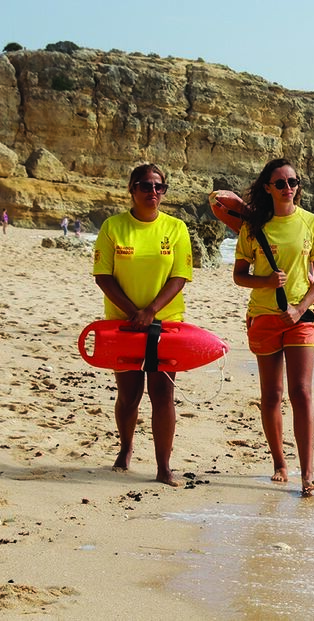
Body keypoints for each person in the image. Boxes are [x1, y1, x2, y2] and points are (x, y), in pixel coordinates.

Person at [232, 158, 314, 497]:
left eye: (293, 182)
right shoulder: (252, 227)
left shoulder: (312, 223)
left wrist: (301, 308)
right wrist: (265, 279)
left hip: (300, 318)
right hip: (263, 317)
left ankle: (307, 473)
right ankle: (279, 463)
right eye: (280, 183)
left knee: (301, 393)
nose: (288, 188)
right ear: (267, 188)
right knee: (272, 395)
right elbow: (238, 275)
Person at [92, 163, 193, 486]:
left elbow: (180, 277)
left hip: (166, 323)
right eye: (146, 186)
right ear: (132, 189)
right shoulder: (113, 227)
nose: (153, 192)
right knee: (129, 395)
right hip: (122, 324)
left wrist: (150, 311)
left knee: (162, 394)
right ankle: (125, 448)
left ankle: (163, 467)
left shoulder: (176, 228)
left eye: (159, 187)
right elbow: (103, 276)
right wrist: (133, 312)